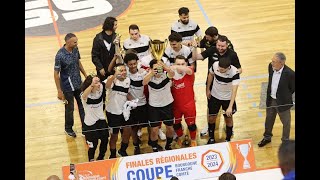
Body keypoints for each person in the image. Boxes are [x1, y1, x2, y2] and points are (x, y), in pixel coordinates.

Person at [193, 35, 241, 137]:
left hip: (227, 90)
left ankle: (228, 132)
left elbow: (240, 69)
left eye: (222, 46)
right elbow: (197, 58)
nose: (220, 48)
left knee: (228, 117)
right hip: (213, 87)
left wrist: (231, 73)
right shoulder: (213, 57)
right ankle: (209, 127)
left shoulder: (232, 55)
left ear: (227, 45)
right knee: (211, 112)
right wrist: (194, 47)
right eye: (218, 45)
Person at [258, 52, 295, 147]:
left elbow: (292, 88)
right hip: (271, 100)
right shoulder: (270, 67)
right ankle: (267, 137)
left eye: (274, 62)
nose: (272, 63)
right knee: (269, 120)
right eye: (272, 61)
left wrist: (284, 96)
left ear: (281, 63)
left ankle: (285, 141)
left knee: (286, 123)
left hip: (283, 102)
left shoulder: (290, 74)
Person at [54, 33, 87, 138]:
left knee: (82, 106)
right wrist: (59, 91)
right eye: (75, 42)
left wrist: (85, 74)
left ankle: (85, 127)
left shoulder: (76, 49)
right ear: (68, 42)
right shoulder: (60, 55)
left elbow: (78, 62)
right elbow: (56, 74)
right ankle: (68, 128)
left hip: (78, 83)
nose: (77, 43)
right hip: (67, 87)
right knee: (70, 108)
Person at [143, 59, 175, 152]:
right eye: (156, 69)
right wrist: (151, 73)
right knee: (154, 130)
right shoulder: (148, 76)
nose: (158, 71)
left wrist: (165, 67)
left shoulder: (166, 74)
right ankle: (154, 146)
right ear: (151, 69)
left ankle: (168, 145)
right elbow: (144, 82)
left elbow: (172, 74)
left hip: (167, 105)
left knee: (170, 128)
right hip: (154, 107)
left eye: (160, 68)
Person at [206, 57, 240, 144]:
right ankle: (211, 138)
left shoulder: (234, 72)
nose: (220, 70)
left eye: (222, 69)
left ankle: (228, 139)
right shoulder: (215, 65)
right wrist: (208, 89)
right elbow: (210, 75)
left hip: (227, 99)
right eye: (219, 68)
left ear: (228, 67)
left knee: (228, 119)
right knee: (211, 118)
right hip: (215, 96)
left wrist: (230, 107)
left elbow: (234, 91)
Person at [124, 53, 149, 155]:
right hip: (132, 105)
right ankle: (136, 145)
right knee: (133, 127)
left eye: (135, 63)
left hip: (144, 103)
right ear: (127, 64)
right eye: (130, 64)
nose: (133, 66)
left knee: (148, 125)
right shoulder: (126, 76)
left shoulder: (143, 73)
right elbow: (126, 92)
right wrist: (133, 102)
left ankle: (152, 143)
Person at [105, 63, 132, 158]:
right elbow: (107, 86)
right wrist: (114, 76)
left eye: (125, 70)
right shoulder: (112, 80)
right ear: (116, 72)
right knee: (114, 135)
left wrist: (132, 101)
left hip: (124, 112)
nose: (124, 72)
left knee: (128, 130)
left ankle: (122, 150)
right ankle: (112, 154)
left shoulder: (128, 80)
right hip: (113, 112)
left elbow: (126, 93)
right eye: (121, 70)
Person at [170, 55, 197, 147]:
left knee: (191, 125)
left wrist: (176, 66)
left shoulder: (189, 71)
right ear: (174, 64)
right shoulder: (171, 74)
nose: (180, 66)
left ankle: (193, 139)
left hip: (188, 105)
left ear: (186, 64)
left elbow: (189, 70)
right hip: (175, 105)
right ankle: (180, 137)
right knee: (176, 124)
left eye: (182, 64)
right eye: (178, 64)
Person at [80, 75, 109, 161]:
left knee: (105, 141)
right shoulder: (84, 95)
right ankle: (91, 160)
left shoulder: (101, 87)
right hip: (90, 124)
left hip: (101, 120)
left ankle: (101, 157)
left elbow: (109, 79)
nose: (99, 84)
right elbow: (84, 96)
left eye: (99, 81)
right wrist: (93, 84)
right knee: (93, 145)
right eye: (96, 83)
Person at [171, 7, 202, 71]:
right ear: (179, 16)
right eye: (184, 18)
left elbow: (200, 37)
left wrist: (202, 51)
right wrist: (183, 43)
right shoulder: (174, 26)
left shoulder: (194, 24)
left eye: (187, 17)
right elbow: (173, 41)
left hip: (191, 52)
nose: (186, 19)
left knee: (192, 70)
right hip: (180, 53)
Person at [91, 16, 120, 82]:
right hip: (102, 70)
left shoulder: (116, 37)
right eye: (115, 25)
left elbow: (118, 53)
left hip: (114, 69)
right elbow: (94, 56)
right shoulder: (98, 39)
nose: (116, 26)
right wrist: (100, 68)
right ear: (110, 25)